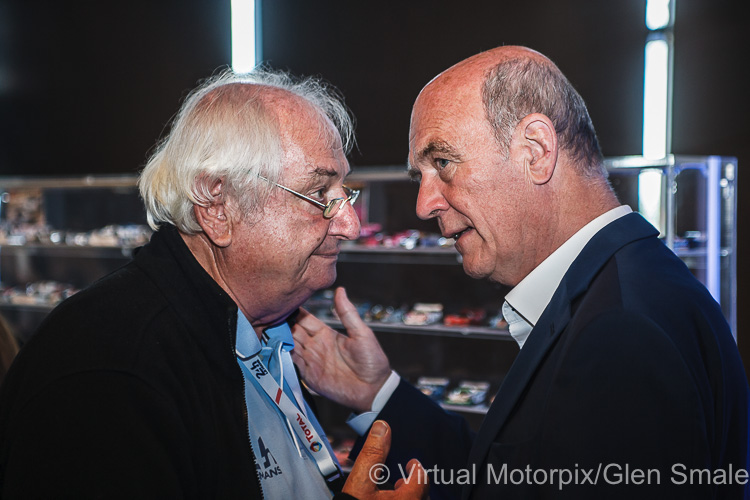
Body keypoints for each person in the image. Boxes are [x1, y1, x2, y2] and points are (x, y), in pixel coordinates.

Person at [291, 46, 750, 499]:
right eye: (419, 177)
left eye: (443, 164)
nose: (424, 204)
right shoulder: (621, 290)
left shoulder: (621, 332)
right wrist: (377, 393)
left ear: (536, 151)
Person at [0, 69, 427, 499]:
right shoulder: (107, 368)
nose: (350, 225)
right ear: (217, 208)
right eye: (320, 194)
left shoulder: (269, 326)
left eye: (344, 191)